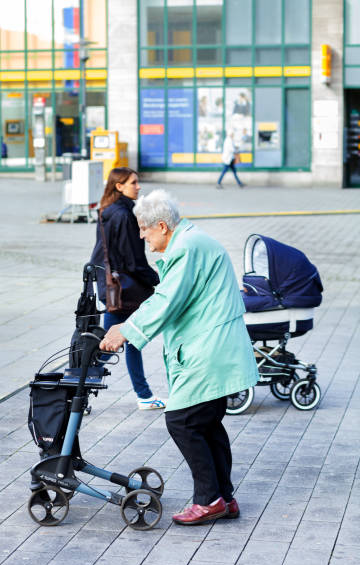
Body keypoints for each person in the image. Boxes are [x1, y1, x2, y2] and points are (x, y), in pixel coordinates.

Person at [99, 190, 259, 526]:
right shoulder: (190, 242)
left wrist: (125, 330)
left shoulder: (188, 247)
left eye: (144, 229)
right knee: (206, 424)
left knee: (182, 421)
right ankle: (223, 498)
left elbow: (168, 300)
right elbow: (169, 297)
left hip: (210, 350)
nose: (142, 236)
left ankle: (210, 500)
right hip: (213, 348)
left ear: (161, 225)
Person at [89, 167, 165, 410]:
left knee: (123, 339)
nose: (138, 186)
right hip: (124, 288)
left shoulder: (107, 210)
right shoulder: (123, 215)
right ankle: (76, 395)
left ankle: (142, 395)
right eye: (133, 182)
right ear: (119, 186)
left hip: (112, 285)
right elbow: (133, 260)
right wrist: (157, 279)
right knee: (111, 343)